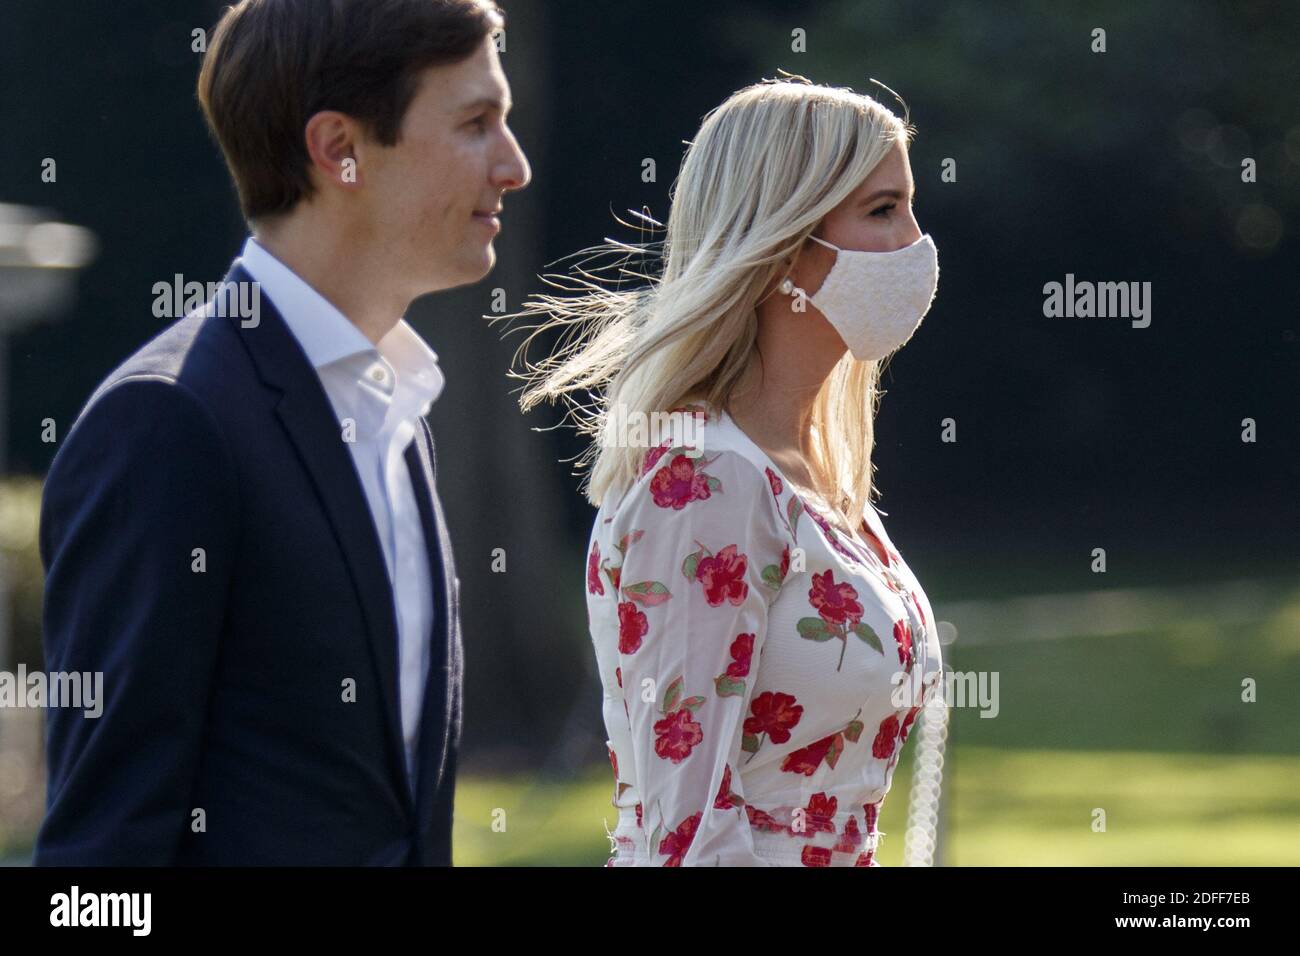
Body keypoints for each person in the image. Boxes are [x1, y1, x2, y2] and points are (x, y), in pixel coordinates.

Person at [34, 0, 529, 865]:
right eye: (476, 123)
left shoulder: (399, 418)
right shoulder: (166, 423)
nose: (513, 165)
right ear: (339, 149)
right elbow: (98, 861)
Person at [505, 75, 943, 866]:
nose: (916, 241)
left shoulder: (820, 481)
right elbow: (691, 832)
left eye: (910, 206)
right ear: (783, 238)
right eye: (882, 210)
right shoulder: (706, 482)